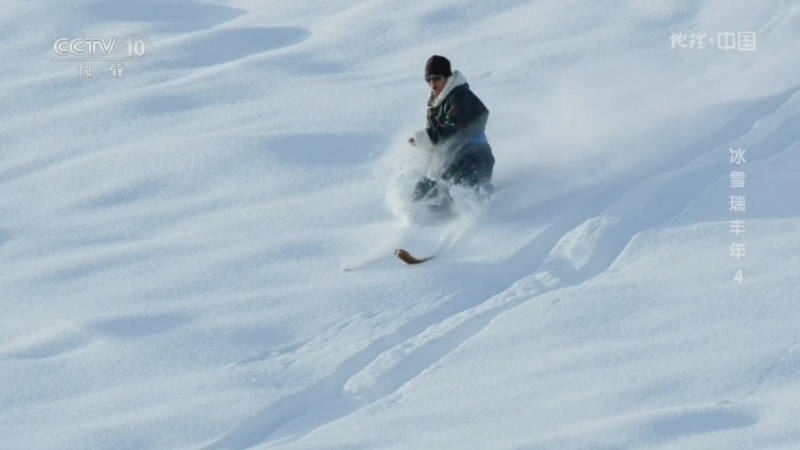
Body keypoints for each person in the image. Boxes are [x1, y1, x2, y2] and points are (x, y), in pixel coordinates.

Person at [408, 55, 495, 209]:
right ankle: (416, 219)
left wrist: (427, 137)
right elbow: (437, 146)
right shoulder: (436, 103)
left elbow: (454, 130)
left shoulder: (461, 96)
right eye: (428, 80)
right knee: (422, 196)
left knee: (469, 197)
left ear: (447, 78)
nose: (432, 84)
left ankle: (492, 211)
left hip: (473, 158)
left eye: (436, 78)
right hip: (449, 162)